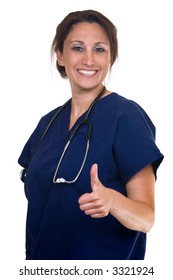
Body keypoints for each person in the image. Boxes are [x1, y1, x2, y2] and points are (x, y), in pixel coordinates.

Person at [18, 9, 164, 260]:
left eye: (99, 49)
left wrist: (113, 201)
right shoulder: (47, 123)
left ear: (111, 58)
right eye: (77, 48)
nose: (88, 59)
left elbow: (146, 218)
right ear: (60, 56)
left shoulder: (126, 117)